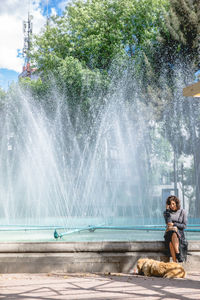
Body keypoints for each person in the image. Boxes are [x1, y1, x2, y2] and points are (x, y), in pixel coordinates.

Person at [163, 195, 187, 263]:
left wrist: (174, 225)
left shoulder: (183, 212)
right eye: (170, 204)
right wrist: (167, 211)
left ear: (176, 203)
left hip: (179, 234)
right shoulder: (166, 213)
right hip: (169, 232)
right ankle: (178, 254)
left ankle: (174, 262)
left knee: (171, 241)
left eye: (173, 203)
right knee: (172, 233)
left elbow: (184, 226)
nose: (172, 206)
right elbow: (168, 223)